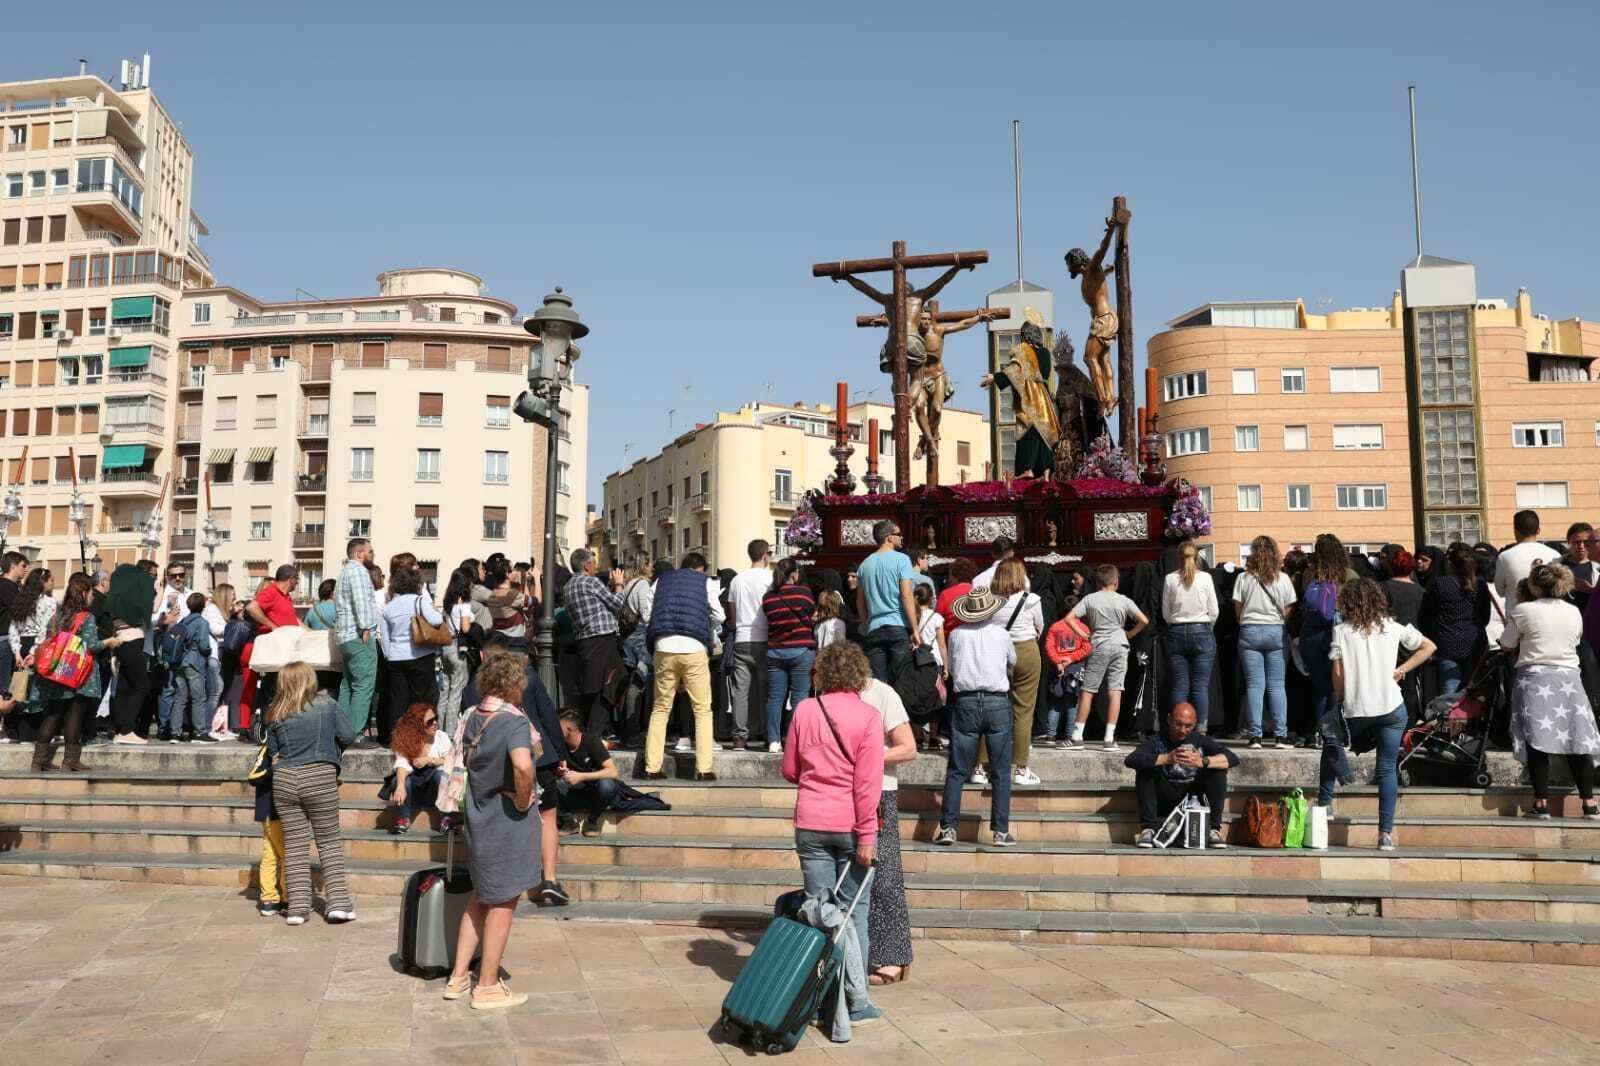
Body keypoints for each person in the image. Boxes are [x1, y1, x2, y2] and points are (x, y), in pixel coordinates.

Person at [780, 642, 886, 1026]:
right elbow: (867, 784)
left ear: (821, 672)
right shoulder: (869, 716)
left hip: (810, 820)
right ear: (859, 674)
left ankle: (819, 998)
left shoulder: (805, 710)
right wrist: (868, 835)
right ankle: (855, 1001)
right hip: (852, 823)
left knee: (817, 911)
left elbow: (790, 769)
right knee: (853, 914)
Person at [446, 652, 542, 1010]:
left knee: (481, 895)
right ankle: (486, 985)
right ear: (515, 684)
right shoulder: (512, 723)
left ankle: (458, 976)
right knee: (503, 900)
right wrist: (522, 799)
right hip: (504, 821)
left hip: (478, 815)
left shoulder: (472, 717)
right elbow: (522, 766)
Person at [1319, 579, 1435, 850]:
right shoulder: (1392, 627)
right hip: (1392, 707)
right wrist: (1402, 669)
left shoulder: (1341, 631)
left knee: (1330, 742)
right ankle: (1385, 834)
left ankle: (1325, 803)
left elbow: (1338, 674)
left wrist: (1339, 701)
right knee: (1386, 768)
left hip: (1356, 706)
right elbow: (1429, 647)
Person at [461, 636, 571, 904]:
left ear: (483, 657)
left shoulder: (470, 690)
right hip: (537, 757)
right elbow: (547, 716)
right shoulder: (528, 677)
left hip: (494, 767)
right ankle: (550, 879)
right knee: (547, 816)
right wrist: (561, 756)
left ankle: (504, 880)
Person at [1500, 562, 1598, 819]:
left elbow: (1507, 643)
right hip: (1569, 678)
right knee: (1577, 738)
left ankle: (1540, 802)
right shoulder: (1573, 611)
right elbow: (1576, 640)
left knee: (1536, 740)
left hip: (1534, 678)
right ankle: (1589, 802)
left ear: (1534, 584)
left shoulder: (1523, 610)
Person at [265, 661, 358, 925]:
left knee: (294, 846)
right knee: (328, 841)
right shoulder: (326, 704)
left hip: (284, 779)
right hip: (319, 775)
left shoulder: (276, 711)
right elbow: (349, 734)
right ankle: (338, 903)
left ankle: (297, 908)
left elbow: (274, 750)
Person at [934, 587, 1017, 847]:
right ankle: (1000, 831)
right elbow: (1011, 661)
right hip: (996, 701)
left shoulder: (957, 635)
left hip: (966, 701)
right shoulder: (1002, 634)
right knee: (1001, 771)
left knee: (957, 769)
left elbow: (955, 668)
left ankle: (948, 828)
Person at [855, 662, 917, 987]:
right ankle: (860, 953)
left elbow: (908, 748)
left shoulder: (883, 694)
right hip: (844, 794)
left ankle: (895, 956)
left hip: (881, 792)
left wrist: (870, 756)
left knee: (886, 874)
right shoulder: (830, 695)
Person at [641, 552, 724, 781]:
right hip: (694, 647)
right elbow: (720, 615)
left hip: (663, 645)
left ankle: (652, 767)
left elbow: (647, 615)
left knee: (660, 708)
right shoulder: (705, 582)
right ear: (700, 568)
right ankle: (703, 769)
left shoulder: (661, 581)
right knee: (702, 709)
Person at [30, 573, 123, 772]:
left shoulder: (57, 615)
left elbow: (49, 639)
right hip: (75, 676)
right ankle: (71, 761)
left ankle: (39, 761)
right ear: (83, 593)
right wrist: (109, 642)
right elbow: (90, 646)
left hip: (56, 674)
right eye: (90, 593)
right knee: (74, 716)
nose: (92, 597)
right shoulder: (86, 617)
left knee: (52, 716)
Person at [1124, 702, 1237, 848]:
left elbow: (1233, 758)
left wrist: (1202, 761)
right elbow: (1131, 759)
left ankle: (1213, 829)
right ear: (1169, 719)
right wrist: (1166, 758)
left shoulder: (1200, 740)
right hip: (1165, 796)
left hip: (1191, 799)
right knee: (1145, 768)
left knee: (1218, 770)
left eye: (1188, 726)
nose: (1183, 730)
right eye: (1178, 724)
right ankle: (1148, 828)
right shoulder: (1157, 740)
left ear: (1195, 724)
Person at [1066, 565, 1150, 751]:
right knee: (1115, 690)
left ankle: (1077, 735)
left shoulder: (1090, 599)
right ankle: (1109, 738)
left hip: (1099, 644)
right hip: (1120, 645)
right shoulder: (1123, 600)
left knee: (1088, 689)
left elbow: (1069, 618)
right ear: (1116, 581)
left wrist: (1085, 635)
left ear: (1097, 582)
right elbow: (1144, 620)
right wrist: (1128, 634)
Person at [1233, 536, 1296, 749]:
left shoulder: (1243, 578)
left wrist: (1245, 622)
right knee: (1277, 685)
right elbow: (1289, 608)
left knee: (1254, 685)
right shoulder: (1283, 578)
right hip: (1275, 631)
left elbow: (1238, 608)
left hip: (1249, 631)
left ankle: (1255, 736)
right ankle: (1280, 736)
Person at [989, 558, 1045, 785]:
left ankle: (981, 767)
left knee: (991, 706)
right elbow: (1040, 626)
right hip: (1026, 649)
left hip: (997, 651)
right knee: (1024, 710)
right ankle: (1021, 769)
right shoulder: (1031, 599)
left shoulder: (992, 600)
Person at [377, 566, 445, 747]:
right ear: (416, 583)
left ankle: (398, 739)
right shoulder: (419, 601)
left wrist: (390, 655)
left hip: (396, 659)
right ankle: (421, 738)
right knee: (421, 700)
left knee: (398, 701)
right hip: (420, 656)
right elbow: (436, 620)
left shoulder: (388, 607)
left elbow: (385, 638)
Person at [565, 548, 627, 742]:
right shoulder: (591, 582)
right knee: (609, 685)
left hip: (585, 641)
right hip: (602, 640)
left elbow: (597, 604)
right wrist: (619, 585)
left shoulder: (569, 585)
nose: (595, 566)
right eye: (593, 562)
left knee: (594, 687)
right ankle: (594, 735)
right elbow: (617, 603)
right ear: (586, 565)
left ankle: (597, 730)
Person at [1300, 534, 1352, 747]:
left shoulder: (1309, 575)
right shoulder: (1348, 575)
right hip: (1338, 632)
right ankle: (1336, 732)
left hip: (1311, 632)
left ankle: (1319, 733)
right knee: (1337, 685)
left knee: (1320, 686)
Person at [1162, 541, 1220, 732]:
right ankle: (1201, 728)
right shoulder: (1205, 578)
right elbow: (1214, 611)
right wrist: (1206, 626)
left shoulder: (1170, 579)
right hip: (1201, 630)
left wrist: (1176, 622)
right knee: (1200, 686)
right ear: (1197, 557)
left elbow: (1166, 613)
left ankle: (1177, 726)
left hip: (1177, 631)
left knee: (1179, 684)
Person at [761, 557, 816, 753]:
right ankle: (795, 740)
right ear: (794, 574)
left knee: (775, 698)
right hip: (801, 650)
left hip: (775, 651)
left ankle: (774, 741)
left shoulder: (768, 598)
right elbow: (811, 614)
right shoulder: (804, 593)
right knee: (799, 697)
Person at [855, 521, 920, 685]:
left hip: (874, 628)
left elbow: (860, 601)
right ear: (888, 537)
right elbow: (906, 595)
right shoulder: (902, 560)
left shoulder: (864, 565)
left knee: (878, 683)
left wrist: (865, 624)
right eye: (898, 534)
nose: (901, 538)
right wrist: (915, 629)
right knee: (901, 679)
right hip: (897, 625)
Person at [1421, 544, 1490, 696]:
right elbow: (1485, 616)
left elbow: (1427, 615)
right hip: (1474, 641)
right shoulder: (1480, 584)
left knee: (1449, 689)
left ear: (1450, 564)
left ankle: (1448, 718)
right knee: (1475, 690)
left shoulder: (1439, 584)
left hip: (1447, 641)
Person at [727, 539, 774, 749]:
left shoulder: (737, 579)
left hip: (742, 638)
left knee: (741, 691)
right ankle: (767, 734)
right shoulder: (771, 577)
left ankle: (739, 737)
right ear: (765, 555)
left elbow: (732, 613)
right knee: (767, 690)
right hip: (764, 637)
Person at [334, 539, 380, 741]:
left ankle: (342, 730)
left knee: (348, 684)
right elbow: (361, 602)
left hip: (345, 636)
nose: (372, 554)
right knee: (363, 684)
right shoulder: (359, 571)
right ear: (360, 553)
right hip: (358, 634)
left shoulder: (344, 571)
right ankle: (354, 733)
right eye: (370, 551)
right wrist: (367, 627)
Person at [106, 563, 156, 745]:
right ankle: (127, 730)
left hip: (121, 639)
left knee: (124, 686)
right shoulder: (132, 599)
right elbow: (146, 614)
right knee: (141, 685)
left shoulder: (116, 599)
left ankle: (120, 728)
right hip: (132, 639)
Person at [386, 702, 451, 835]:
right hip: (412, 790)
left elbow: (451, 761)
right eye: (430, 721)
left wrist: (429, 760)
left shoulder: (441, 737)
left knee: (441, 775)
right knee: (400, 781)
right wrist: (400, 785)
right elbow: (401, 764)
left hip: (433, 790)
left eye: (435, 719)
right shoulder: (405, 739)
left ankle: (446, 819)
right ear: (418, 724)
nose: (434, 723)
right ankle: (403, 819)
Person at [160, 593, 215, 743]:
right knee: (198, 698)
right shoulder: (202, 622)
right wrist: (209, 652)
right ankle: (199, 732)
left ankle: (175, 733)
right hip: (194, 662)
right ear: (203, 606)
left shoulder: (184, 621)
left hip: (179, 662)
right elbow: (204, 645)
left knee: (180, 697)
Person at [557, 710, 620, 836]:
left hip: (596, 791)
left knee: (607, 785)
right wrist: (560, 771)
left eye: (558, 727)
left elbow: (613, 772)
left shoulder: (591, 741)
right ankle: (569, 821)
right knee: (547, 781)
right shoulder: (560, 744)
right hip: (575, 791)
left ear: (569, 729)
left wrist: (580, 776)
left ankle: (592, 820)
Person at [439, 566, 479, 734]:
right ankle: (449, 734)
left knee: (444, 693)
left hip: (445, 648)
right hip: (458, 650)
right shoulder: (465, 605)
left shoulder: (448, 605)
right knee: (456, 693)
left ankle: (439, 731)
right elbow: (465, 628)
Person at [1496, 510, 1561, 607]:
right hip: (1548, 616)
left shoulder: (1504, 557)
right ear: (1538, 530)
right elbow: (1559, 588)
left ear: (1515, 531)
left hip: (1516, 617)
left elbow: (1500, 591)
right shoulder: (1555, 555)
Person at [935, 557, 977, 633]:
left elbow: (937, 622)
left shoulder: (945, 595)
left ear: (955, 576)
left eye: (950, 575)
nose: (949, 579)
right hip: (974, 639)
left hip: (950, 639)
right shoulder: (978, 593)